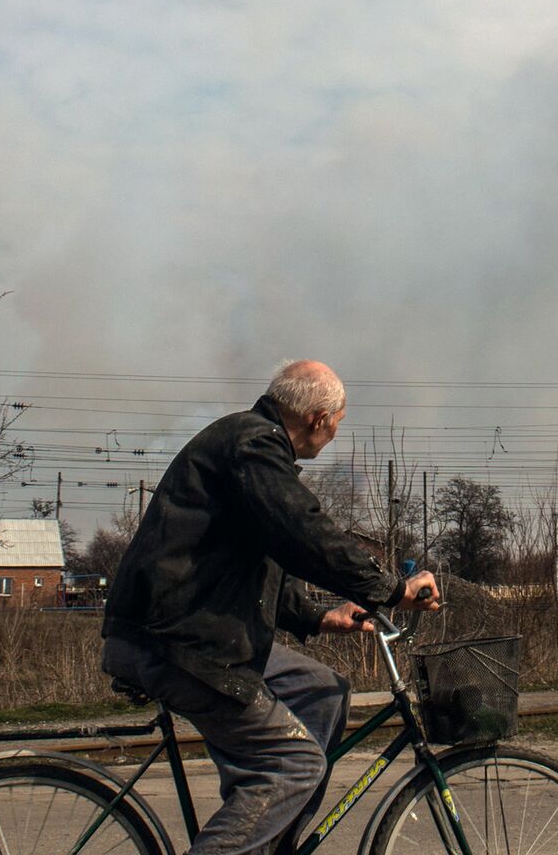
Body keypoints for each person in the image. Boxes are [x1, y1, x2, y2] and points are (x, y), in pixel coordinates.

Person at [101, 359, 444, 855]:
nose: (333, 435)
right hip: (177, 640)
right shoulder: (255, 444)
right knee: (296, 763)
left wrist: (319, 616)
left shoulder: (248, 449)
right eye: (338, 424)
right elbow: (302, 533)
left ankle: (267, 842)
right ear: (319, 419)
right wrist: (392, 589)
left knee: (322, 691)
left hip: (195, 629)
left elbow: (259, 562)